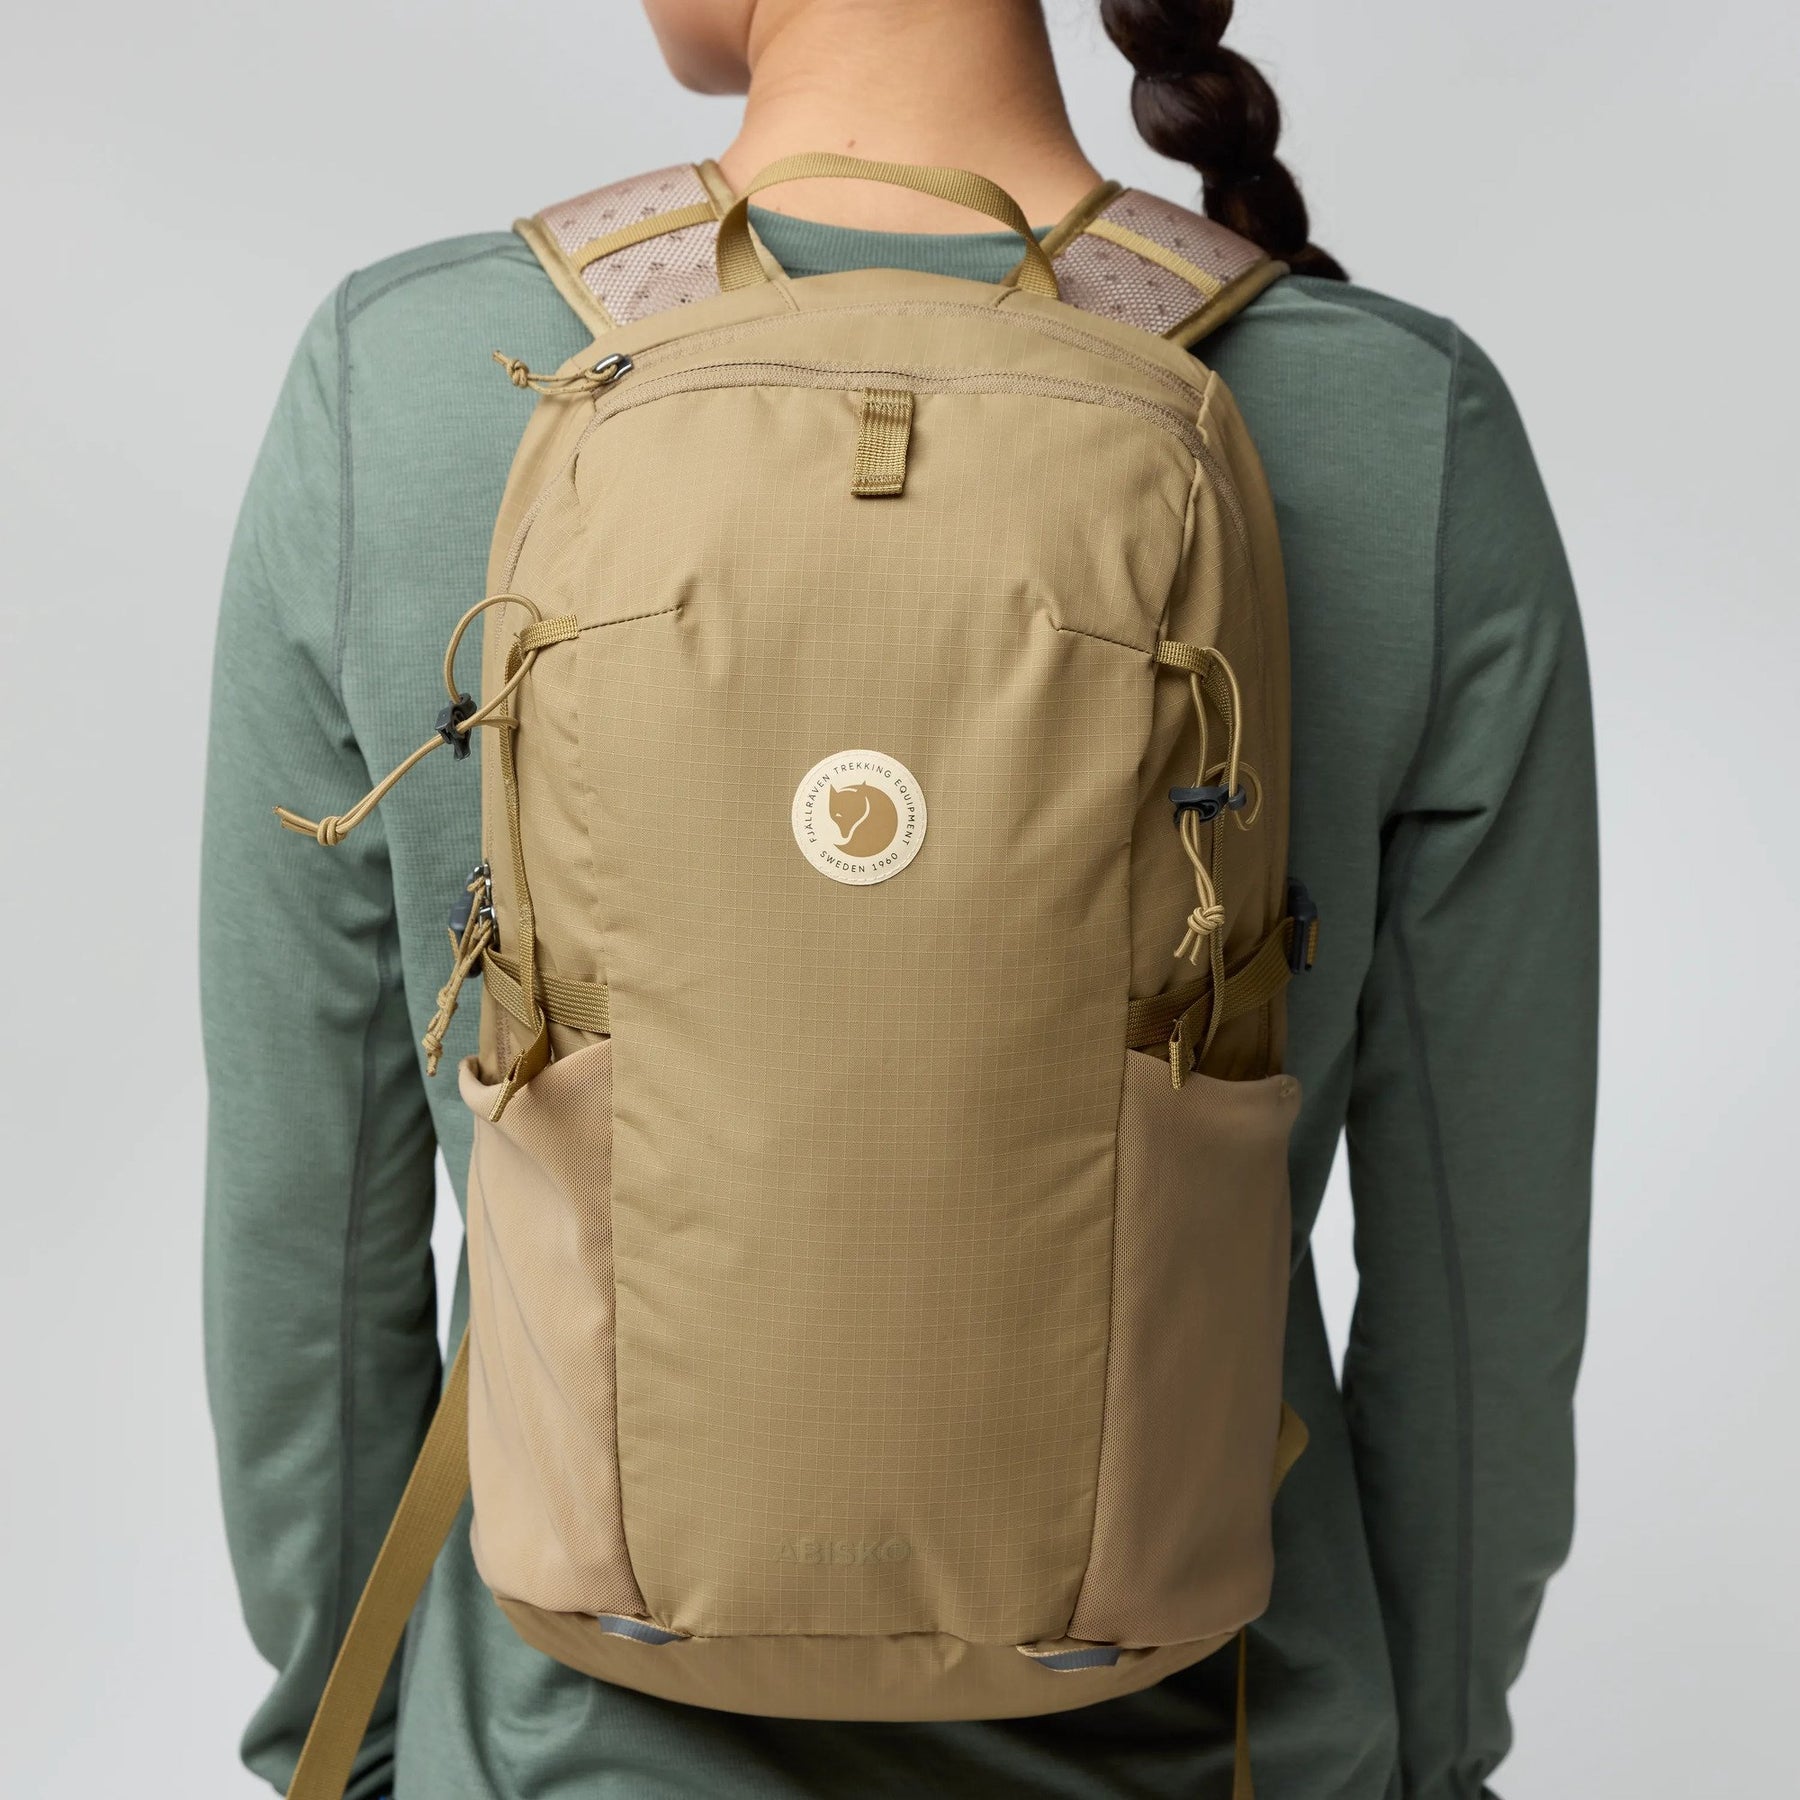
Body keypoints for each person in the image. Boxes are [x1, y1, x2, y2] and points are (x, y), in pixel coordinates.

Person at [202, 1, 1598, 1795]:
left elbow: (306, 1239)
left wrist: (349, 1754)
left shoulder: (400, 380)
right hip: (1232, 1743)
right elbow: (1482, 1292)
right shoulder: (1406, 421)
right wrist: (1428, 1759)